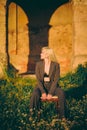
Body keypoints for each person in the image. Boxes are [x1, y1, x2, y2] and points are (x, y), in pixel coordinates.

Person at [29, 46, 66, 119]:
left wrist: (51, 93)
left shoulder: (56, 65)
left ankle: (63, 116)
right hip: (41, 86)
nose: (40, 54)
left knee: (61, 93)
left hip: (53, 86)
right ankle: (33, 116)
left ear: (47, 54)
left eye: (42, 53)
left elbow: (56, 80)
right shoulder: (38, 64)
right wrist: (43, 92)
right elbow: (38, 80)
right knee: (35, 94)